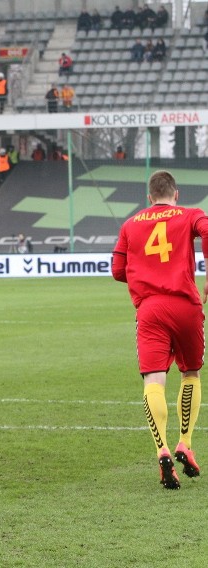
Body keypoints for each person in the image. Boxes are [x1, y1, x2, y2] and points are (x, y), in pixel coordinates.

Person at [111, 170, 208, 490]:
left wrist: (145, 275)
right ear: (175, 194)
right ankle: (185, 442)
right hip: (186, 306)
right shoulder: (191, 214)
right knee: (191, 372)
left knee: (154, 380)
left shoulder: (130, 224)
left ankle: (162, 450)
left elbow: (117, 271)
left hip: (151, 308)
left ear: (149, 197)